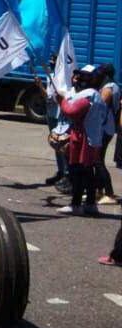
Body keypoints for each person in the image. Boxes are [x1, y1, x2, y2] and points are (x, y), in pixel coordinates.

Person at [56, 66, 111, 215]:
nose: (78, 80)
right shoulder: (96, 95)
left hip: (83, 139)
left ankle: (76, 204)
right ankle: (90, 204)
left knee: (78, 172)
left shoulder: (88, 95)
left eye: (82, 77)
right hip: (93, 137)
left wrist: (62, 101)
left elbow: (71, 111)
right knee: (88, 172)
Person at [94, 64, 119, 204]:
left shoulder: (108, 87)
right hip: (106, 128)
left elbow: (99, 105)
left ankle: (109, 194)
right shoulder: (112, 85)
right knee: (98, 160)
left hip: (104, 129)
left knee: (97, 160)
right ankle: (99, 191)